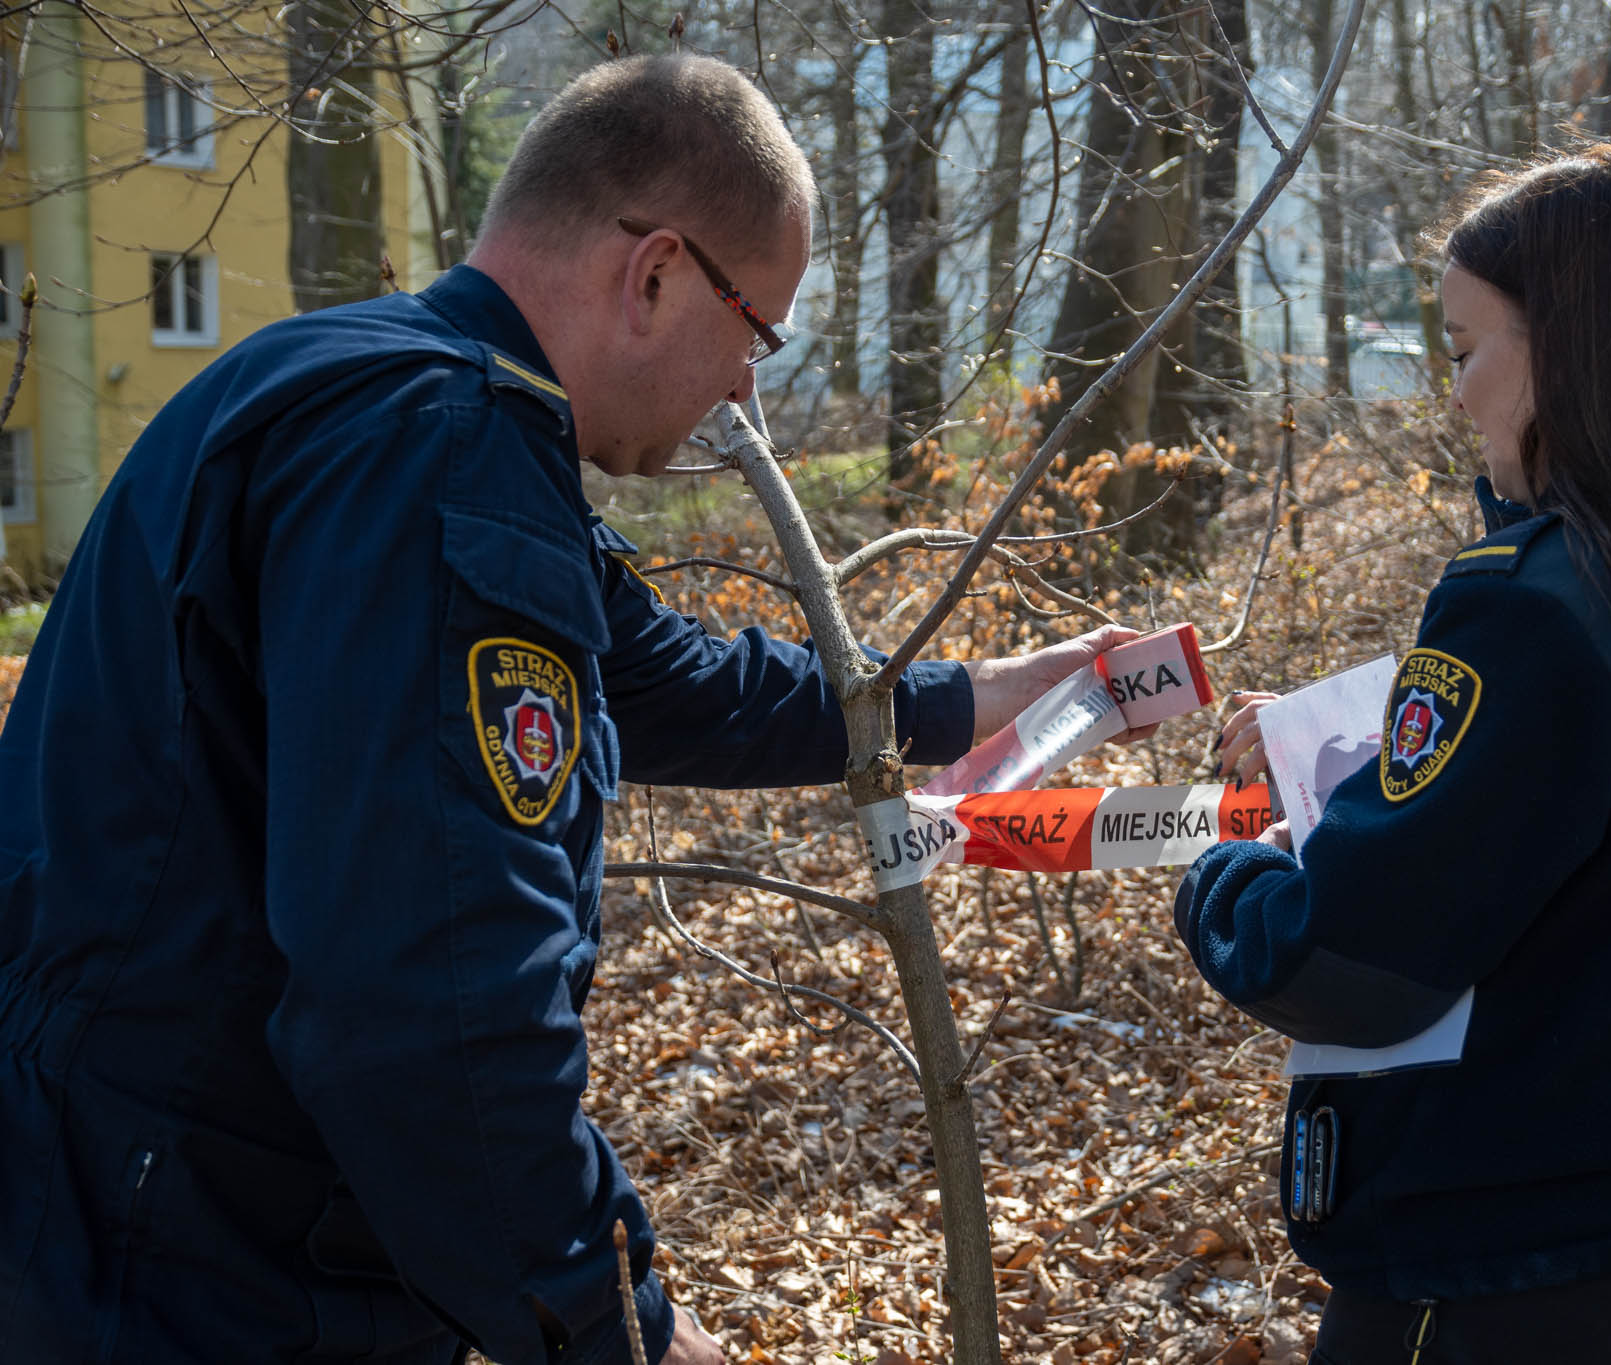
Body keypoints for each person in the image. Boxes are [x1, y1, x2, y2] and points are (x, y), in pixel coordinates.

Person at [0, 54, 1140, 1365]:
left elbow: (682, 682)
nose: (746, 391)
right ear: (655, 274)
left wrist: (989, 694)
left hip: (106, 1201)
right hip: (187, 1268)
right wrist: (621, 1326)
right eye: (756, 332)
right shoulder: (443, 457)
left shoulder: (358, 388)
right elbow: (432, 1003)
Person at [1176, 144, 1611, 1364]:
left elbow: (1354, 964)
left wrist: (1229, 876)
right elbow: (1592, 838)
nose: (1456, 391)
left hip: (1480, 1254)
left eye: (1466, 348)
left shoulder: (1530, 610)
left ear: (1565, 356)